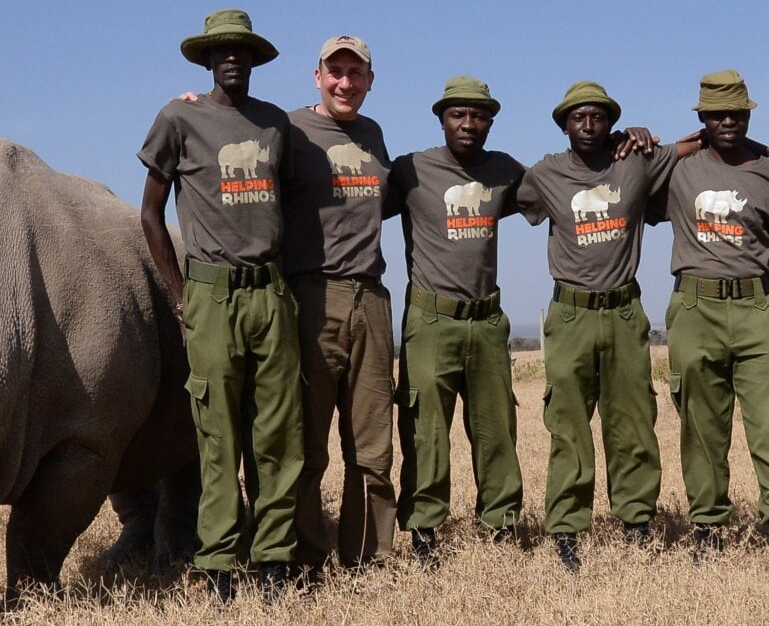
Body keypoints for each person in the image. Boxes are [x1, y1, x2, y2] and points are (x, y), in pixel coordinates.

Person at [137, 9, 304, 601]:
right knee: (216, 433)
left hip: (271, 292)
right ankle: (217, 561)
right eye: (221, 50)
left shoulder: (277, 125)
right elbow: (151, 214)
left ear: (255, 59)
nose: (232, 58)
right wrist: (181, 296)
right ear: (207, 60)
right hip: (211, 293)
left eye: (242, 50)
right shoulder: (178, 118)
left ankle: (277, 558)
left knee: (277, 433)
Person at [514, 81, 675, 571]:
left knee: (632, 421)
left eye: (598, 118)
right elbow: (507, 200)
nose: (588, 126)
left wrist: (647, 135)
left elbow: (694, 146)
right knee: (567, 423)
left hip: (625, 312)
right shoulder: (544, 174)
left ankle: (636, 521)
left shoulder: (636, 162)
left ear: (612, 123)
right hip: (571, 313)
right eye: (578, 118)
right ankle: (566, 528)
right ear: (564, 124)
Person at [656, 70, 769, 577]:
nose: (728, 121)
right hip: (695, 308)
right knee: (701, 430)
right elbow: (628, 169)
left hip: (757, 308)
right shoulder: (679, 170)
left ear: (749, 117)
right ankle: (709, 534)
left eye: (737, 114)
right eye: (717, 114)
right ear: (701, 119)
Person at [389, 77, 527, 563]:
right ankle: (425, 529)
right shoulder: (410, 171)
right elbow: (354, 201)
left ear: (491, 121)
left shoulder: (505, 171)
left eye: (478, 115)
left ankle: (503, 523)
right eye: (457, 115)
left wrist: (625, 142)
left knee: (497, 427)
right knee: (425, 430)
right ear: (441, 118)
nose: (468, 124)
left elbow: (568, 183)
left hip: (487, 319)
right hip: (431, 318)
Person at [281, 35, 397, 576]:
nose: (345, 83)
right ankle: (306, 557)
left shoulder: (372, 134)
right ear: (317, 76)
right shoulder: (289, 129)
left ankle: (368, 558)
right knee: (307, 445)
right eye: (336, 72)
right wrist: (192, 106)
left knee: (373, 447)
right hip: (312, 296)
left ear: (371, 80)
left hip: (370, 296)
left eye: (356, 73)